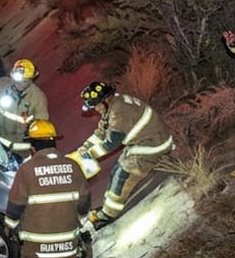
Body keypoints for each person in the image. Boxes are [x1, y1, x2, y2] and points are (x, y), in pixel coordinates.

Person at [5, 119, 91, 258]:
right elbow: (84, 203)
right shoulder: (72, 166)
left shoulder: (27, 169)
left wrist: (10, 226)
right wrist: (78, 219)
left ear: (33, 147)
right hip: (66, 244)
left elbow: (15, 205)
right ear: (54, 143)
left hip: (37, 245)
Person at [71, 82, 174, 229]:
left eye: (97, 105)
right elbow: (102, 132)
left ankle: (107, 215)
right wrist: (84, 148)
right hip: (143, 142)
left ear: (105, 100)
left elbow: (111, 143)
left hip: (152, 146)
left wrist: (89, 154)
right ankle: (107, 206)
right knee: (116, 171)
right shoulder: (115, 103)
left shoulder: (119, 112)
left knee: (122, 175)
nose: (96, 109)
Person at [0, 58, 50, 157]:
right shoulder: (5, 84)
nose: (18, 84)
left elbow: (42, 124)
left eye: (23, 82)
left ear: (30, 79)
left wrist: (35, 140)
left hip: (20, 148)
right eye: (16, 81)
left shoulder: (37, 98)